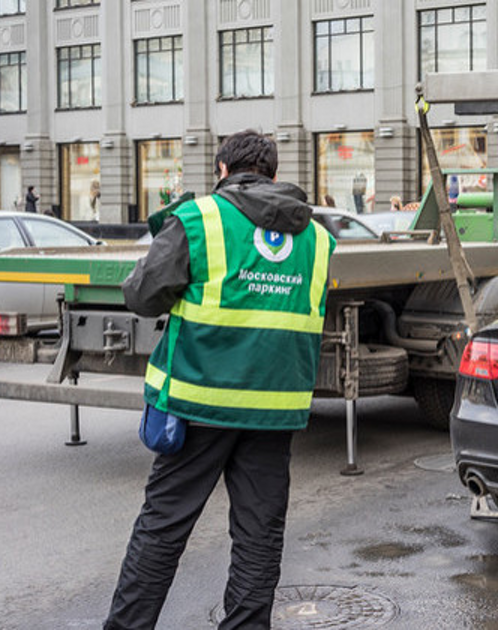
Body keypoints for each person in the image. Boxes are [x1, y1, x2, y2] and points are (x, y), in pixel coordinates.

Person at [104, 130, 336, 630]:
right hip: (275, 410)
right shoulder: (316, 238)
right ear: (272, 175)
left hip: (197, 406)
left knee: (163, 529)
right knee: (259, 536)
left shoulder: (200, 219)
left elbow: (142, 296)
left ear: (223, 172)